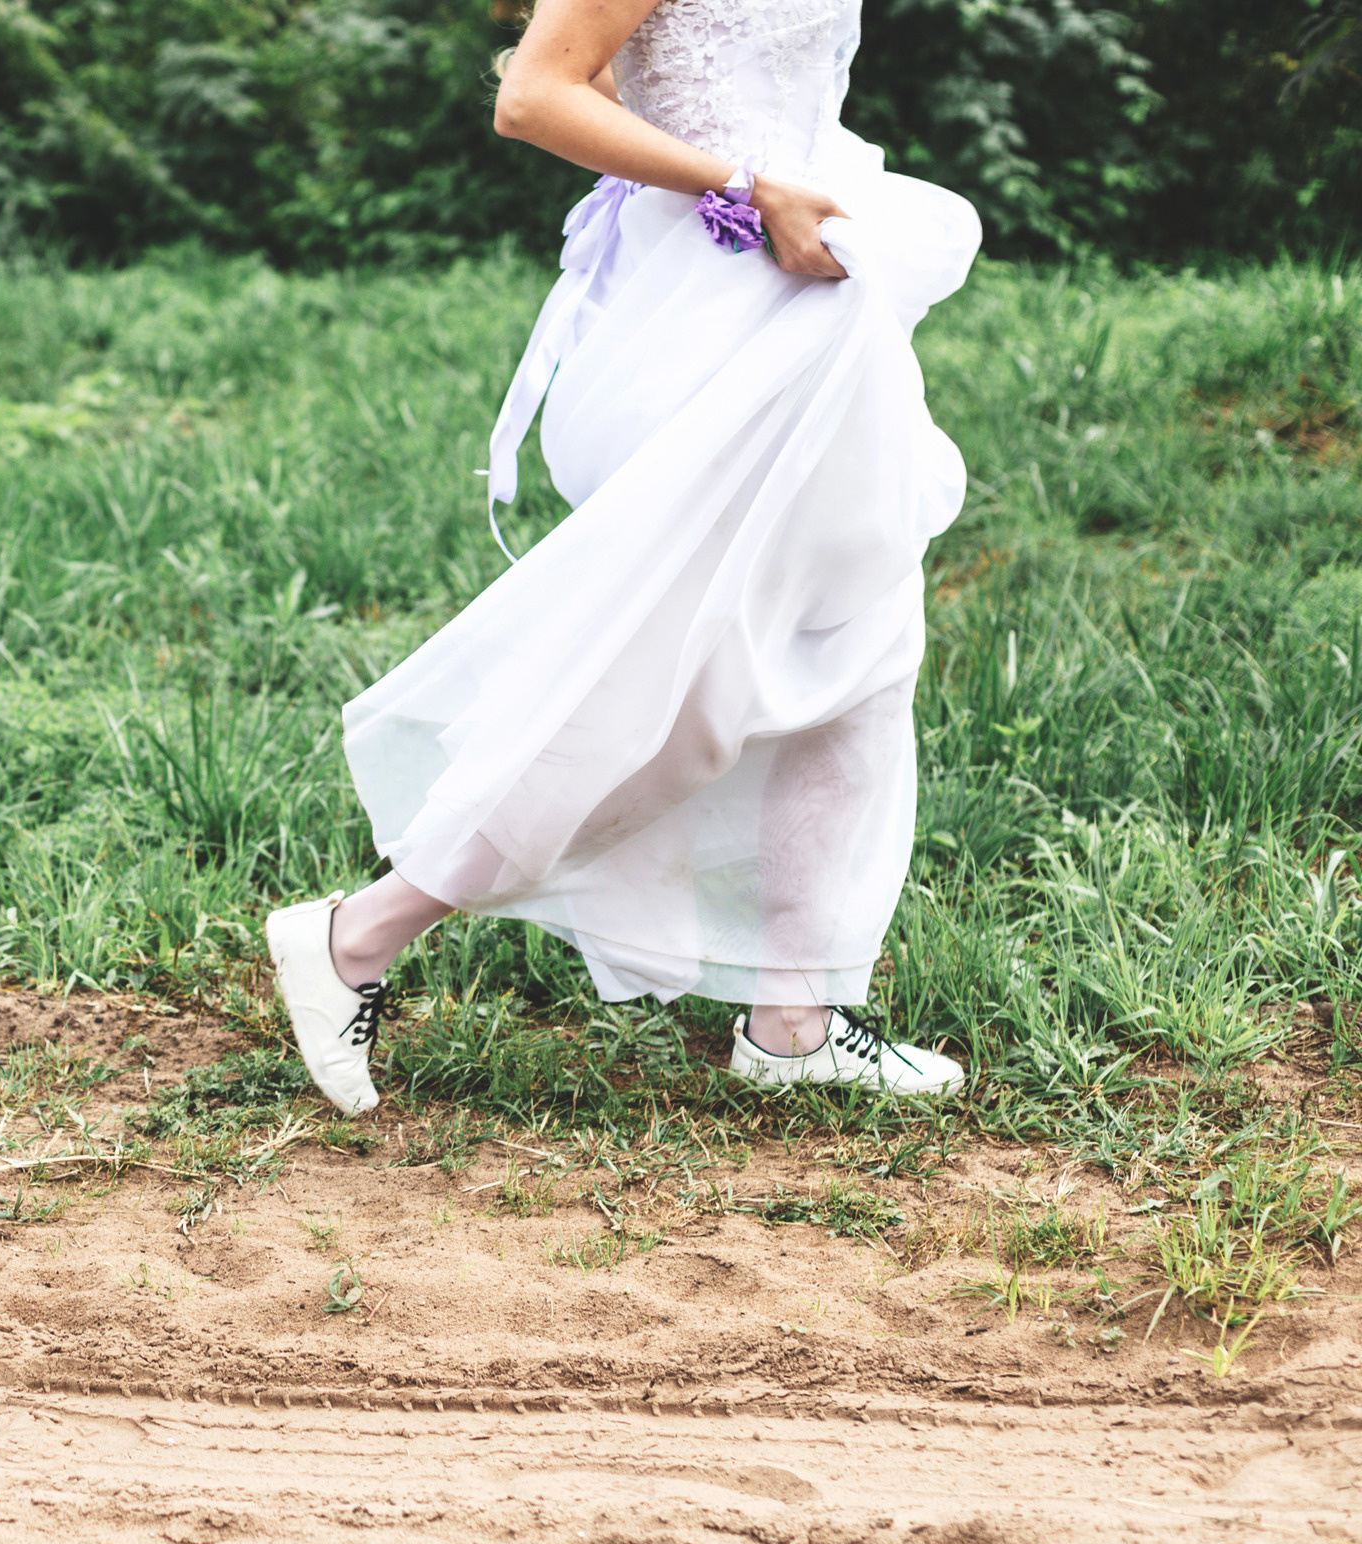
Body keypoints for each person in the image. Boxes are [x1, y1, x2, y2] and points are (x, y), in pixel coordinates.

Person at [268, 0, 978, 1115]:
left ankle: (793, 1019)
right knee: (668, 683)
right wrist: (737, 184)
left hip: (814, 295)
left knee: (863, 644)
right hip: (722, 310)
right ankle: (357, 935)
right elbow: (536, 92)